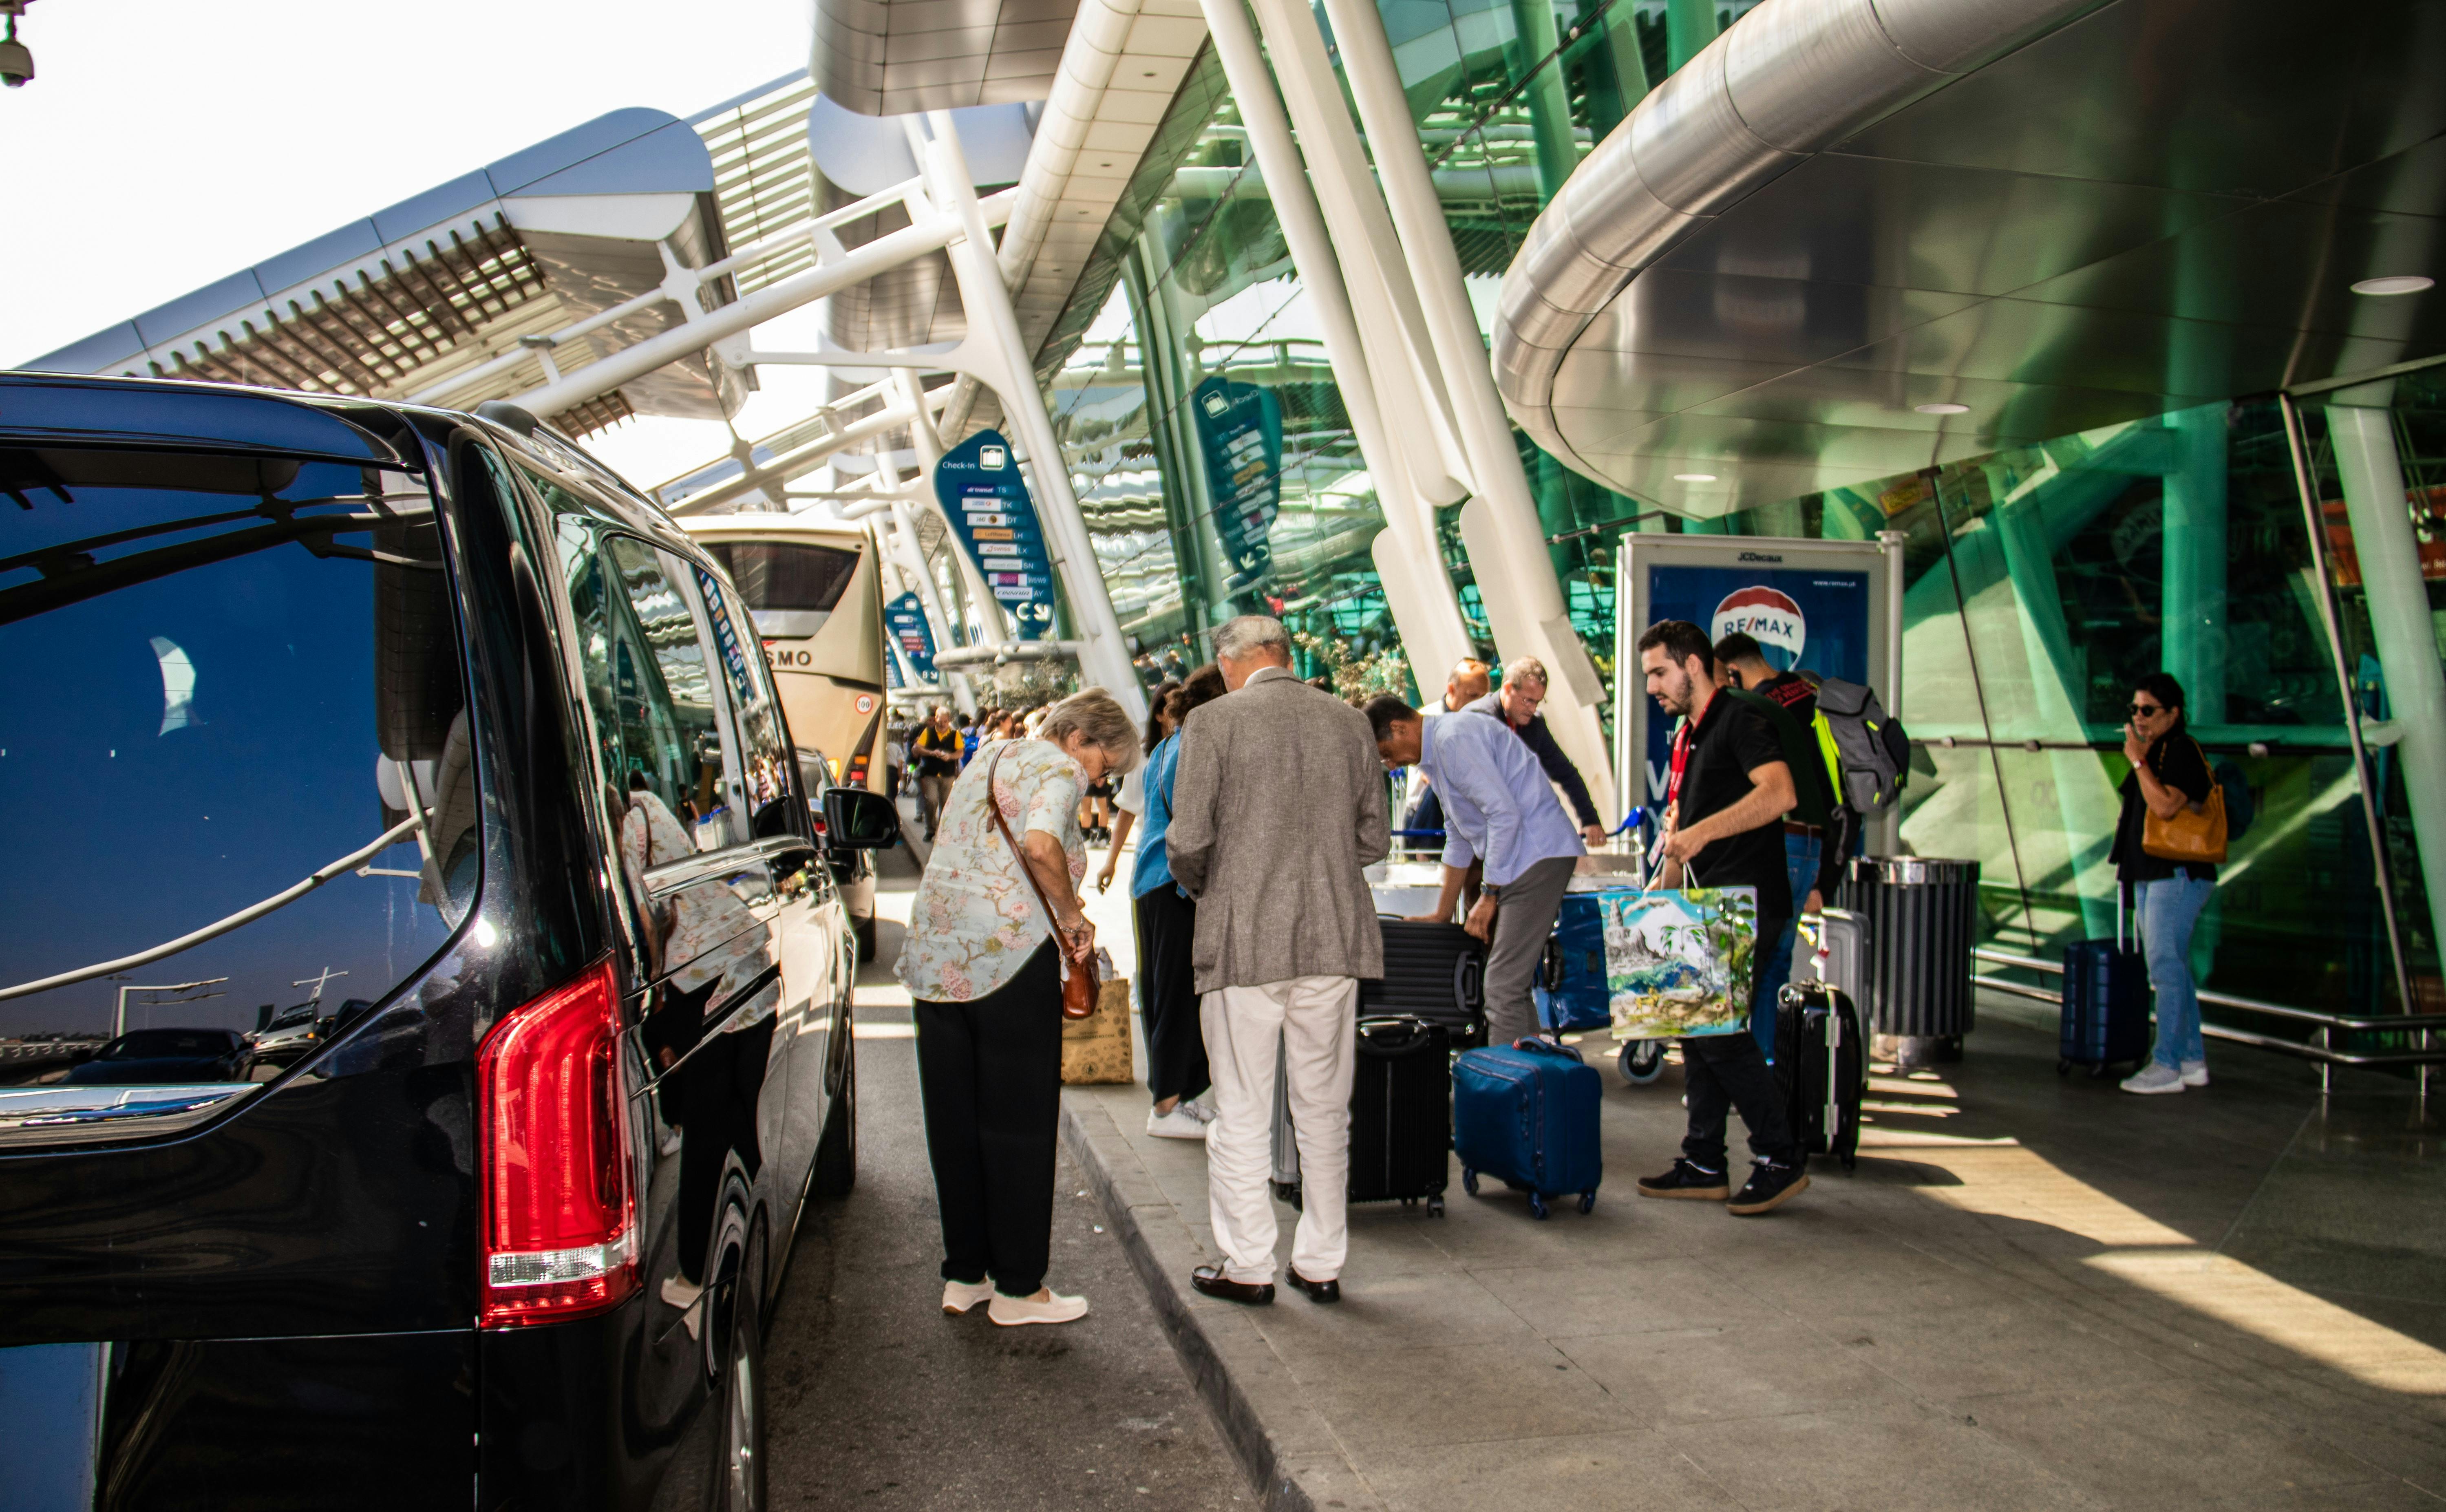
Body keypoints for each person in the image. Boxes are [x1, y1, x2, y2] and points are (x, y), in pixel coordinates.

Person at [894, 688, 1143, 1325]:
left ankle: (965, 1273)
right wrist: (1072, 916)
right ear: (1079, 737)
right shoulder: (1058, 768)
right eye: (1105, 765)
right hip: (1007, 955)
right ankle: (1018, 1288)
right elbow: (1038, 847)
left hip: (935, 953)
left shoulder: (990, 754)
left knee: (955, 1118)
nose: (1101, 780)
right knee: (1020, 1122)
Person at [1167, 616, 1388, 1306]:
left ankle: (1249, 1264)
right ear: (1285, 657)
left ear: (1232, 661)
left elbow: (1189, 837)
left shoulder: (1213, 721)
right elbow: (1374, 836)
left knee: (1240, 1105)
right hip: (1332, 937)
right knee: (1324, 1108)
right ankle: (1321, 1262)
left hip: (1243, 940)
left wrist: (1217, 885)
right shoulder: (1350, 721)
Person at [1629, 620, 1809, 1217]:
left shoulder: (1741, 718)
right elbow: (1683, 832)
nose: (1653, 685)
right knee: (1695, 1027)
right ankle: (1704, 1159)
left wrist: (1698, 834)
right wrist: (1662, 893)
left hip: (1748, 904)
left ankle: (1780, 1156)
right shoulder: (1692, 734)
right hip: (1709, 906)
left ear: (1694, 665)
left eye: (1659, 672)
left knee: (1720, 1034)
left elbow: (1780, 793)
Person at [1368, 697, 1584, 1048]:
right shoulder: (1438, 756)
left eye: (1385, 752)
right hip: (1523, 858)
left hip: (1537, 855)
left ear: (1399, 728)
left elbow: (1503, 815)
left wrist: (1489, 894)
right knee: (1510, 983)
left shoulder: (1453, 739)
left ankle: (1504, 1087)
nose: (1390, 763)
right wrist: (1442, 912)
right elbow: (1459, 837)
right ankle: (1532, 1074)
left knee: (1501, 986)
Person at [1712, 631, 1839, 1056]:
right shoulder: (1806, 692)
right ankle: (1767, 1066)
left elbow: (1772, 791)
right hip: (1811, 841)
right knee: (1775, 963)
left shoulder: (1754, 708)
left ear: (1731, 672)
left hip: (1779, 840)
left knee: (1746, 965)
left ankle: (1744, 1074)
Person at [1117, 667, 1227, 1139]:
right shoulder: (1195, 747)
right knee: (1177, 995)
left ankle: (1175, 1099)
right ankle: (1166, 1107)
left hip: (1151, 880)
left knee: (1162, 992)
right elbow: (1196, 823)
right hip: (1175, 883)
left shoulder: (1166, 746)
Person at [2113, 672, 2219, 1095]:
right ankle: (2191, 1060)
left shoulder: (2180, 750)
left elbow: (2167, 806)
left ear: (2174, 714)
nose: (2139, 717)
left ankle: (2168, 1063)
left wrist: (2138, 761)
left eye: (2149, 710)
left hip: (2177, 873)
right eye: (2135, 709)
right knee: (2172, 965)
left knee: (2165, 967)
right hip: (2151, 871)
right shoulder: (2157, 749)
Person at [1464, 657, 1609, 849]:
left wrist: (1590, 819)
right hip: (1472, 831)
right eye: (1527, 701)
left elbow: (1566, 773)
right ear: (1507, 689)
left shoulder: (1535, 725)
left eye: (1538, 702)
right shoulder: (1476, 719)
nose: (1532, 709)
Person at [1402, 657, 1491, 832]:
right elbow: (1431, 776)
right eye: (1473, 696)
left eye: (1484, 697)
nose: (1480, 704)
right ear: (1451, 689)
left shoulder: (1485, 724)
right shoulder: (1426, 720)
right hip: (1427, 821)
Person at [910, 705, 963, 842]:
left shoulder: (955, 734)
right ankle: (930, 830)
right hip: (930, 774)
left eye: (945, 722)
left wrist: (950, 757)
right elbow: (918, 748)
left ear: (949, 721)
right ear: (936, 719)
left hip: (947, 774)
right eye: (940, 721)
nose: (943, 724)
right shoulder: (928, 732)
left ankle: (943, 831)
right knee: (931, 801)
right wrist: (931, 753)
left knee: (945, 804)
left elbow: (960, 752)